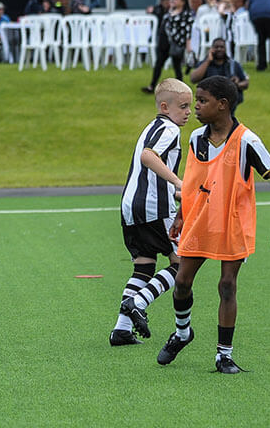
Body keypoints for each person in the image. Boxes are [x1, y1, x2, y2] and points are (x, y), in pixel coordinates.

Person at [155, 76, 270, 374]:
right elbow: (192, 182)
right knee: (182, 282)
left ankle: (224, 355)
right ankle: (181, 333)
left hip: (232, 225)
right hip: (200, 220)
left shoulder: (247, 140)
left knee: (227, 286)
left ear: (223, 104)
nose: (196, 108)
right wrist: (180, 214)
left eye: (202, 101)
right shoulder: (196, 139)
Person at [111, 78, 190, 346]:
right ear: (165, 107)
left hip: (130, 206)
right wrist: (178, 183)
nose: (189, 111)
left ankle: (121, 330)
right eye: (183, 106)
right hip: (154, 206)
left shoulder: (150, 127)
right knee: (181, 264)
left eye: (190, 106)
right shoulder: (169, 129)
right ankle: (138, 302)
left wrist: (175, 189)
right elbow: (148, 156)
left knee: (144, 266)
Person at [143, 0, 192, 92]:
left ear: (183, 2)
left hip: (177, 42)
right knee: (159, 63)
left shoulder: (186, 14)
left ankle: (182, 89)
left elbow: (188, 30)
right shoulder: (170, 11)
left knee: (177, 66)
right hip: (165, 42)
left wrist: (188, 44)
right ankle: (152, 85)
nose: (174, 1)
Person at [189, 39, 248, 113]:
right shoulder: (205, 64)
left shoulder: (233, 65)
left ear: (225, 49)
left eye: (221, 47)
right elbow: (193, 78)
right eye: (216, 47)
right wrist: (208, 60)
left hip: (228, 104)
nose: (219, 49)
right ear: (212, 49)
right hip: (209, 104)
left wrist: (237, 84)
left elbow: (245, 82)